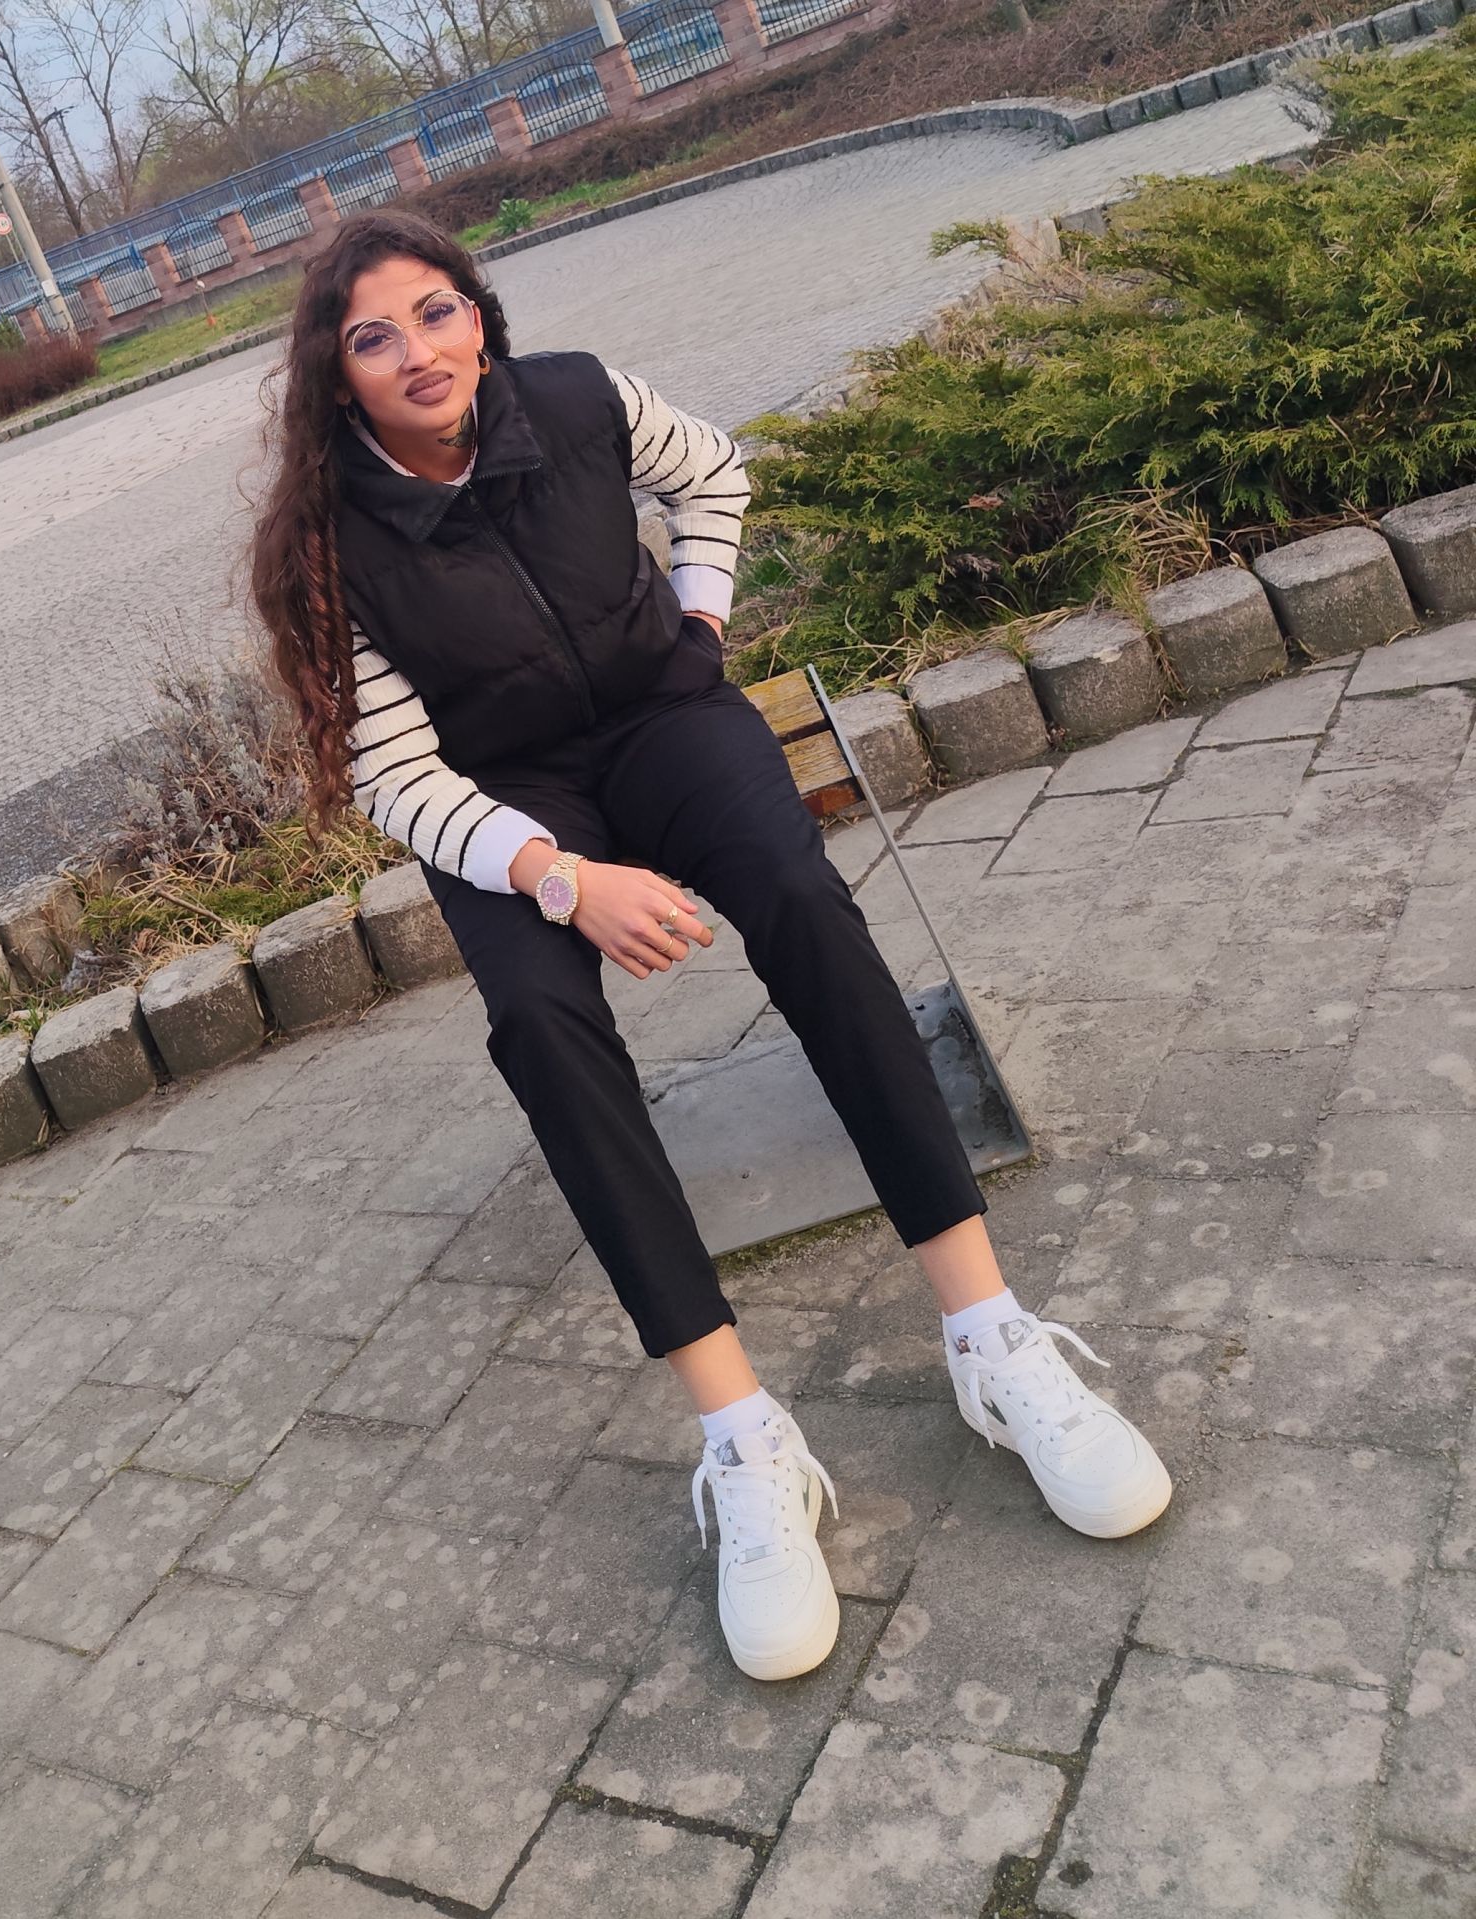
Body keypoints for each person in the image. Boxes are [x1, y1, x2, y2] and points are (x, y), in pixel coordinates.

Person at [249, 207, 1172, 1683]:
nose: (418, 351)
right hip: (508, 801)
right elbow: (396, 779)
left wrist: (701, 628)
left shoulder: (576, 398)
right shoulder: (327, 546)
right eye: (374, 337)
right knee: (538, 1024)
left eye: (437, 312)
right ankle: (746, 1434)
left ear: (479, 316)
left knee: (800, 896)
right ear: (335, 375)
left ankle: (991, 1339)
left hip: (664, 719)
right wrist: (564, 883)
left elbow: (716, 472)